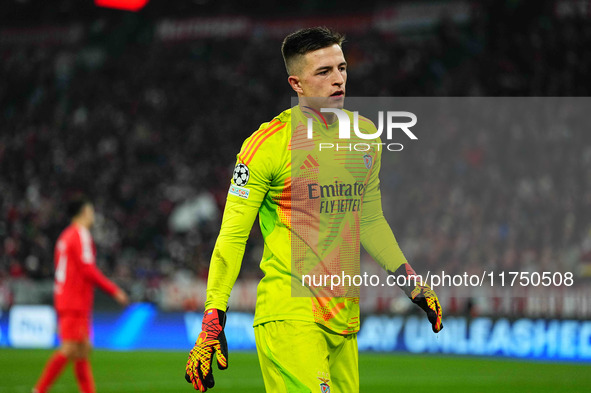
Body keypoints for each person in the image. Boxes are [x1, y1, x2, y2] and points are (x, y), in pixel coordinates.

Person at [185, 27, 443, 393]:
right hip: (290, 314)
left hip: (343, 318)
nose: (338, 80)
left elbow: (368, 219)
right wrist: (213, 316)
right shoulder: (268, 146)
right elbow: (232, 235)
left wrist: (409, 278)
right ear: (297, 84)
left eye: (341, 68)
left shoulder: (366, 136)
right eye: (324, 72)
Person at [33, 195, 129, 393]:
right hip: (74, 302)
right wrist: (114, 290)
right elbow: (88, 270)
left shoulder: (65, 236)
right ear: (84, 211)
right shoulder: (80, 234)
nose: (93, 215)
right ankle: (39, 390)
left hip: (67, 299)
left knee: (83, 350)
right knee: (69, 349)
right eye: (91, 211)